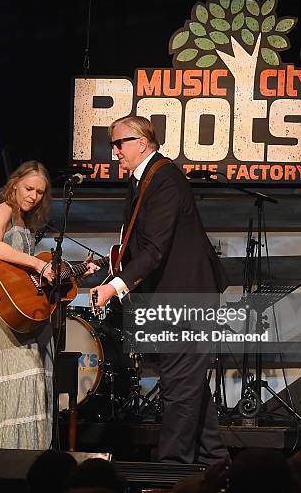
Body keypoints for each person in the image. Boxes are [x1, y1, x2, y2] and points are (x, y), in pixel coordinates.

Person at [91, 115, 227, 464]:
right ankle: (215, 464)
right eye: (113, 144)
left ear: (142, 141)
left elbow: (155, 249)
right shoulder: (142, 180)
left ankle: (171, 474)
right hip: (172, 298)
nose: (114, 152)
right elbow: (139, 243)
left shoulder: (165, 179)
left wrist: (114, 288)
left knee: (180, 389)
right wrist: (112, 266)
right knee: (189, 386)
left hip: (187, 298)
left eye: (118, 143)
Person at [0, 161, 97, 450]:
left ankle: (33, 456)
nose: (34, 196)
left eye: (41, 192)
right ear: (14, 183)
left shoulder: (27, 223)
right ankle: (6, 455)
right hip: (12, 315)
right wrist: (36, 264)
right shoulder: (3, 209)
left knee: (37, 385)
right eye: (29, 188)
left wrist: (80, 270)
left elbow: (33, 279)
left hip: (32, 313)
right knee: (19, 380)